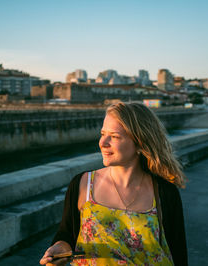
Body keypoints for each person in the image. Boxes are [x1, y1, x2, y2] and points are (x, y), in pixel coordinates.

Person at [40, 102, 188, 265]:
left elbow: (179, 255)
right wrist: (61, 246)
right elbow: (66, 233)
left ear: (140, 143)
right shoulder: (82, 184)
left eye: (115, 136)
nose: (103, 143)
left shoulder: (164, 193)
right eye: (103, 133)